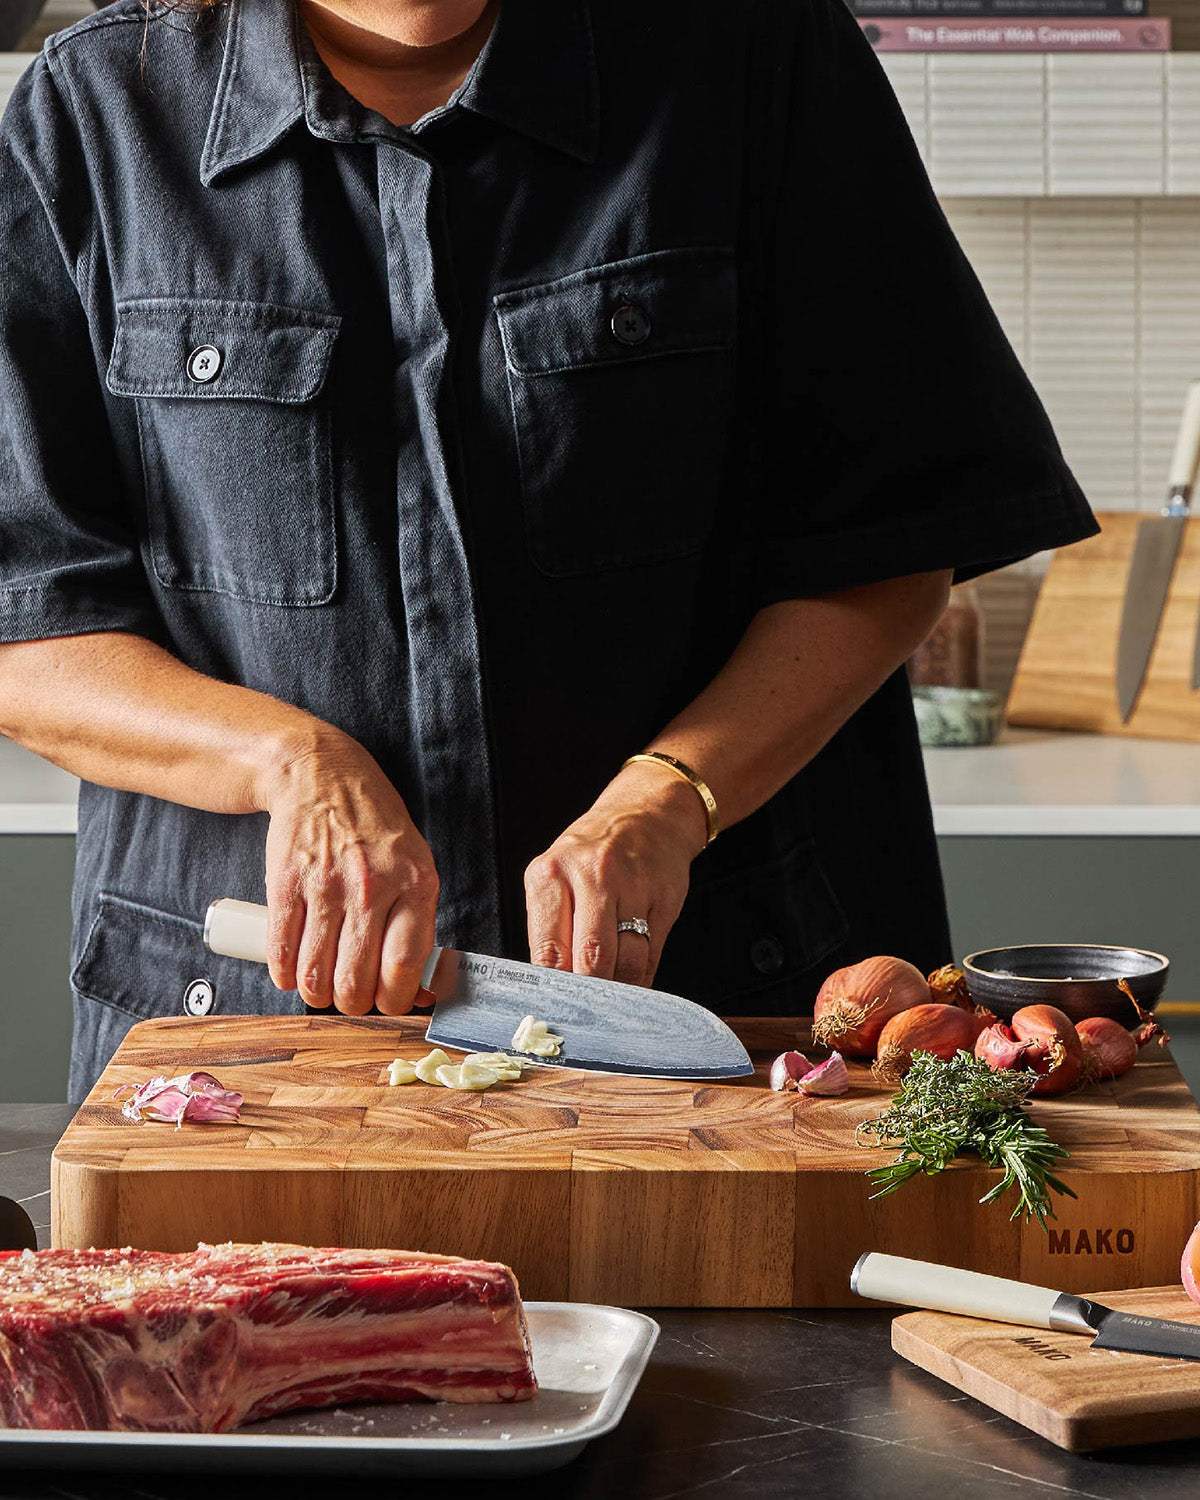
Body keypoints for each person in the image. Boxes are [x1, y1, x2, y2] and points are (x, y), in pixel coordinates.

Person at [0, 0, 1095, 1102]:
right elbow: (24, 629)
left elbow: (888, 543)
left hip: (735, 1014)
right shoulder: (92, 112)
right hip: (249, 1038)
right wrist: (288, 762)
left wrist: (672, 795)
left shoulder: (760, 55)